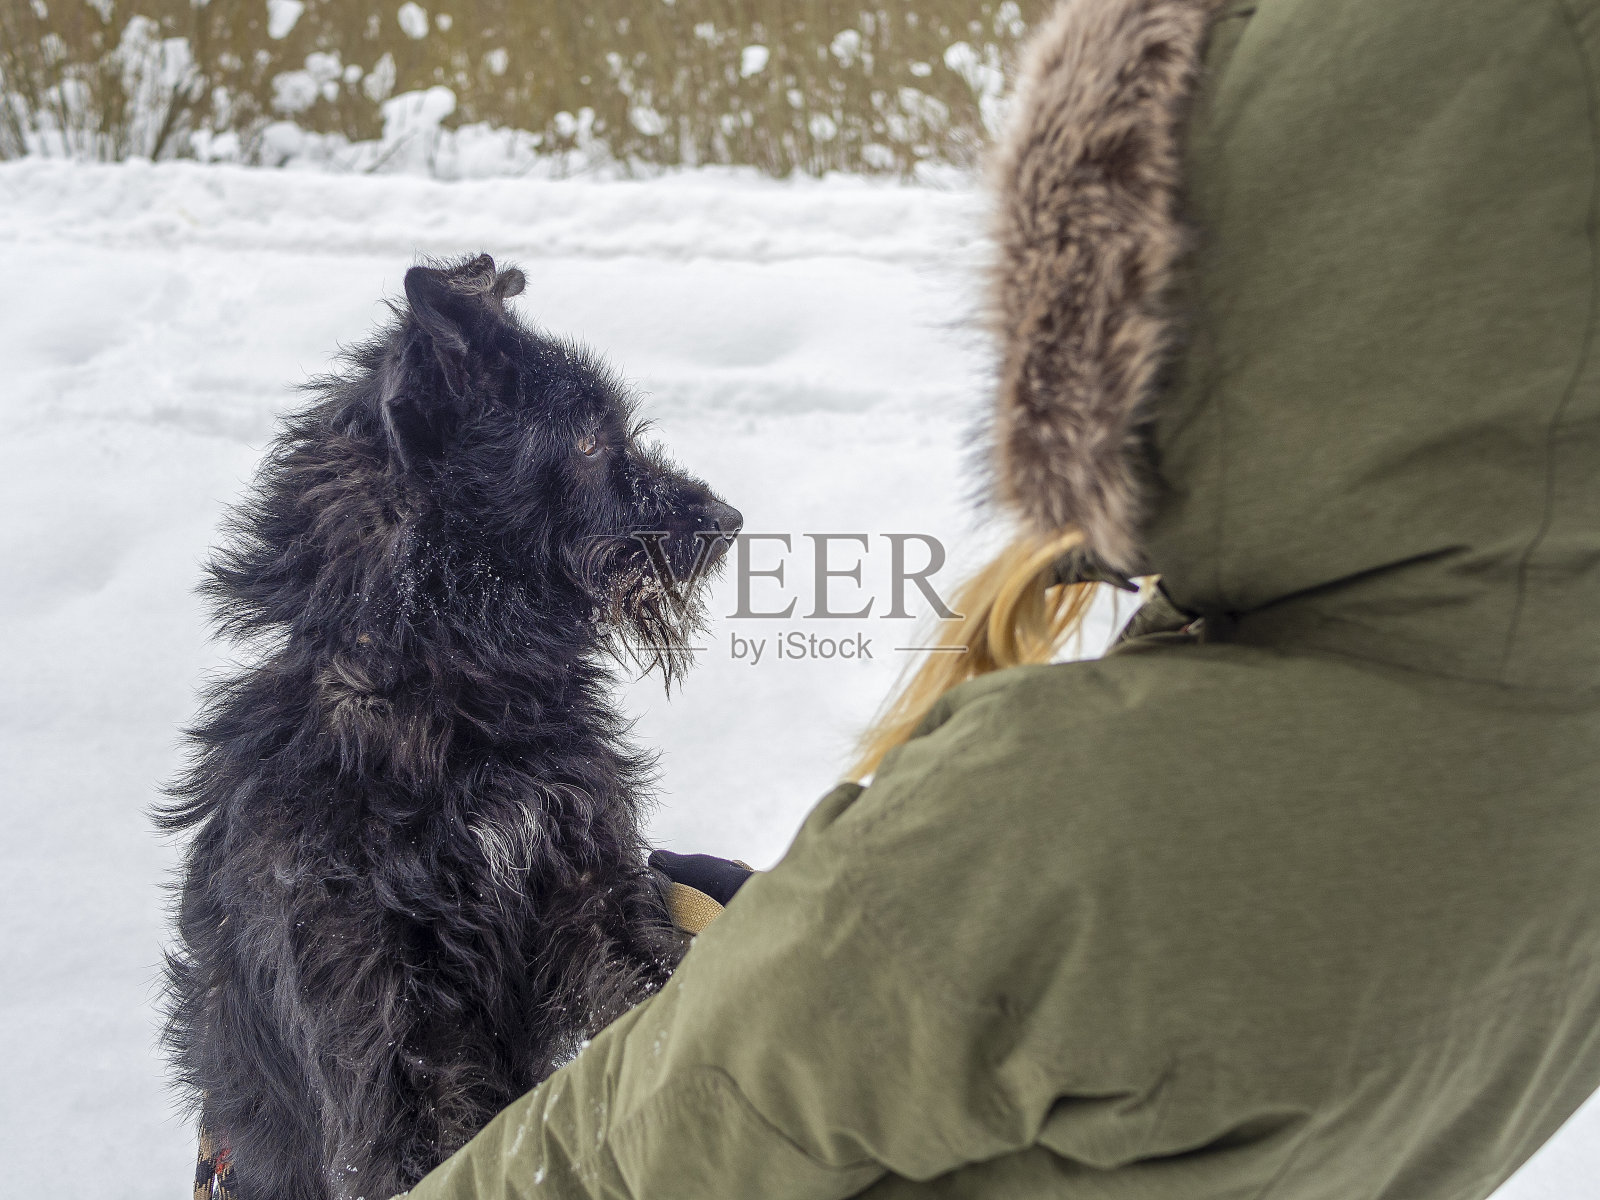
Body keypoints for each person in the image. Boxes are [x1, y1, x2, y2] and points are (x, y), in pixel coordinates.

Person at [400, 0, 1600, 1195]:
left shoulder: (1073, 821)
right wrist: (843, 959)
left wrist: (875, 932)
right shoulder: (1547, 763)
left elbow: (598, 1167)